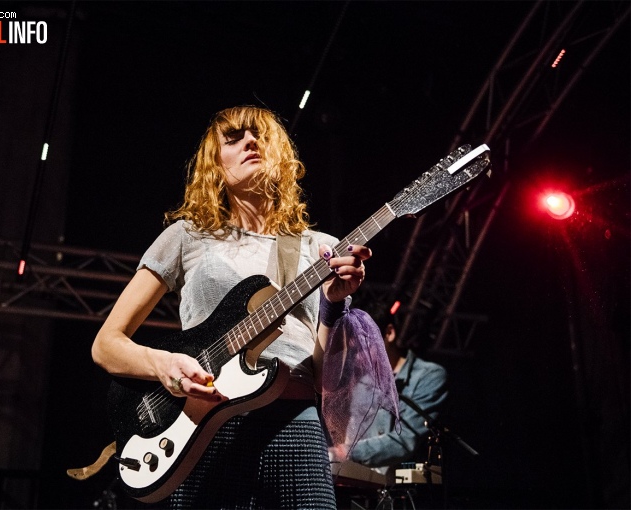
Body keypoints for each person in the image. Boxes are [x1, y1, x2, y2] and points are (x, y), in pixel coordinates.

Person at [91, 105, 377, 508]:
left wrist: (332, 304)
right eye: (235, 137)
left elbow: (324, 378)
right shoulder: (187, 236)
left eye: (261, 136)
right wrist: (163, 365)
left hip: (295, 423)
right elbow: (105, 345)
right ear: (214, 164)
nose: (251, 142)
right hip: (206, 425)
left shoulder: (321, 248)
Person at [349, 317, 448, 473]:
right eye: (354, 349)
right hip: (367, 489)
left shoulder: (429, 375)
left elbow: (406, 439)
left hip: (410, 492)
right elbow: (352, 437)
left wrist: (345, 452)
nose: (359, 356)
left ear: (389, 333)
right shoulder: (362, 385)